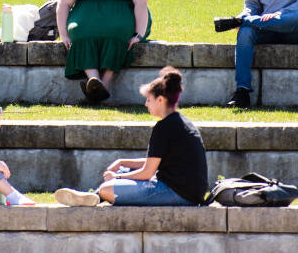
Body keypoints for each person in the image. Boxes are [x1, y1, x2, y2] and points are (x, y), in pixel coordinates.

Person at [53, 67, 207, 207]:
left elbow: (147, 172)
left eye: (149, 99)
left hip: (178, 194)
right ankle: (94, 197)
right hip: (187, 192)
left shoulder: (164, 127)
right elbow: (155, 163)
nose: (146, 104)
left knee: (109, 187)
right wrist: (122, 162)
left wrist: (117, 178)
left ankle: (97, 195)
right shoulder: (181, 122)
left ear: (160, 100)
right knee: (123, 170)